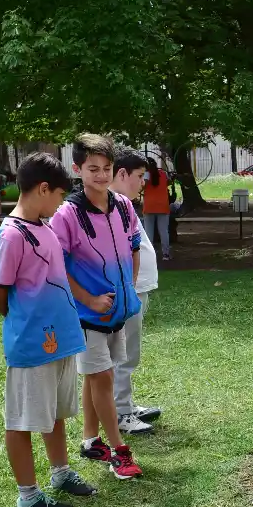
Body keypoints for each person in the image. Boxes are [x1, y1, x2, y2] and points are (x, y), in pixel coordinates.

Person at [0, 153, 96, 507]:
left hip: (61, 340)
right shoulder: (12, 235)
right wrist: (25, 321)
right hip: (33, 344)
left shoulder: (44, 226)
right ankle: (28, 496)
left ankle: (60, 472)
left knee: (54, 413)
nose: (62, 204)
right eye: (60, 196)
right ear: (43, 189)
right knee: (22, 419)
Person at [49, 134, 143, 480]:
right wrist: (88, 299)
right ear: (77, 169)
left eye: (107, 168)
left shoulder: (123, 205)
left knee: (96, 375)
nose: (101, 175)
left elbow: (134, 245)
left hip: (116, 312)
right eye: (93, 169)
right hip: (87, 315)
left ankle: (91, 441)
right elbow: (55, 264)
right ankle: (119, 452)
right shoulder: (67, 214)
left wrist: (128, 286)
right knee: (102, 377)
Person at [112, 152, 164, 436]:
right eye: (138, 177)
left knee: (129, 350)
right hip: (128, 289)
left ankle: (126, 404)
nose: (143, 183)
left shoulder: (124, 205)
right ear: (122, 174)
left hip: (137, 288)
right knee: (123, 352)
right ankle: (121, 411)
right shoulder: (113, 206)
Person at [142, 156, 172, 261]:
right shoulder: (163, 174)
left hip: (149, 206)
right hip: (163, 206)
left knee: (149, 232)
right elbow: (168, 182)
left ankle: (150, 255)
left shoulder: (146, 175)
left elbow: (142, 186)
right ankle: (166, 254)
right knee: (164, 231)